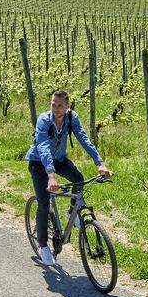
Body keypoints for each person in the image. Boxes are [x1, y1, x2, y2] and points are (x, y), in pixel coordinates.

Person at [27, 89, 111, 266]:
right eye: (53, 104)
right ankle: (43, 246)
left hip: (59, 159)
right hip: (39, 163)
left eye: (60, 105)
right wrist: (50, 175)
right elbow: (42, 147)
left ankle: (71, 212)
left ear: (67, 106)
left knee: (78, 178)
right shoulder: (44, 120)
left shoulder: (72, 118)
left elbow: (84, 139)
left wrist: (100, 163)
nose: (56, 108)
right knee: (43, 203)